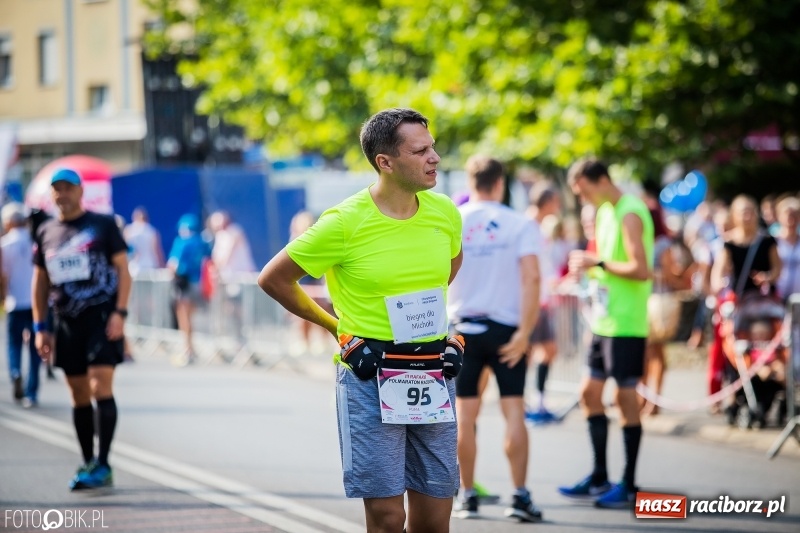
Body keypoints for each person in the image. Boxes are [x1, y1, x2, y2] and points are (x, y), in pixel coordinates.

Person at [258, 108, 463, 533]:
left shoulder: (444, 211)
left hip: (432, 373)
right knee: (388, 518)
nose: (435, 158)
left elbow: (451, 265)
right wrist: (336, 328)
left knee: (434, 519)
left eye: (433, 147)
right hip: (370, 375)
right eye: (420, 151)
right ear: (385, 162)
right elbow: (274, 279)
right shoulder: (343, 222)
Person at [447, 155, 542, 522]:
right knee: (513, 410)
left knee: (464, 414)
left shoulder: (454, 220)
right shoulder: (520, 224)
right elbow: (532, 277)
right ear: (501, 183)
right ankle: (519, 496)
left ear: (470, 183)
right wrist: (525, 332)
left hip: (462, 330)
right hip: (506, 330)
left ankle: (467, 495)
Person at [558, 158, 654, 508]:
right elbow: (606, 264)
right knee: (589, 394)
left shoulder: (630, 211)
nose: (581, 198)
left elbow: (641, 269)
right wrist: (585, 271)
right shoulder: (604, 213)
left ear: (599, 181)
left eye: (582, 190)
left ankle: (628, 484)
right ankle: (600, 477)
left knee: (626, 400)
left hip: (627, 323)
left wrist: (596, 263)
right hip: (603, 320)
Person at [31, 168, 131, 490]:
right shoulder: (45, 230)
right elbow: (40, 282)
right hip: (66, 322)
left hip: (101, 317)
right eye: (57, 189)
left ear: (80, 191)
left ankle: (103, 463)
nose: (63, 194)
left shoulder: (103, 224)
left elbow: (123, 271)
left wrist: (120, 312)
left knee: (100, 384)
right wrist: (40, 326)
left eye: (68, 188)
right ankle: (88, 459)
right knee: (78, 392)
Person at [524, 182, 560, 423]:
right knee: (533, 352)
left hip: (540, 299)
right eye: (555, 202)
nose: (558, 207)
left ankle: (535, 400)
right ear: (546, 203)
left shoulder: (537, 226)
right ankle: (528, 402)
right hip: (534, 301)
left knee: (544, 350)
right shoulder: (527, 226)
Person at [2, 202, 41, 407]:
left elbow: (2, 276)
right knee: (36, 347)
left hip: (15, 301)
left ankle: (16, 372)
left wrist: (3, 296)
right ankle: (31, 391)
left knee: (14, 343)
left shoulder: (4, 244)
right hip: (36, 303)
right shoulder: (36, 240)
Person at [167, 214, 211, 366]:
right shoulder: (202, 242)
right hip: (198, 283)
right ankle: (191, 348)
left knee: (184, 318)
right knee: (190, 318)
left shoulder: (181, 242)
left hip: (184, 284)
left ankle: (187, 349)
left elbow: (173, 264)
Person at [124, 207, 163, 276]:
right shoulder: (152, 231)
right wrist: (161, 265)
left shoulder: (129, 230)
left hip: (134, 267)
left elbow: (124, 250)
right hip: (150, 266)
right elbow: (156, 251)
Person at [775, 196, 800, 301]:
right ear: (779, 216)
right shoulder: (773, 241)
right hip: (777, 296)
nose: (791, 220)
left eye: (795, 215)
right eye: (788, 215)